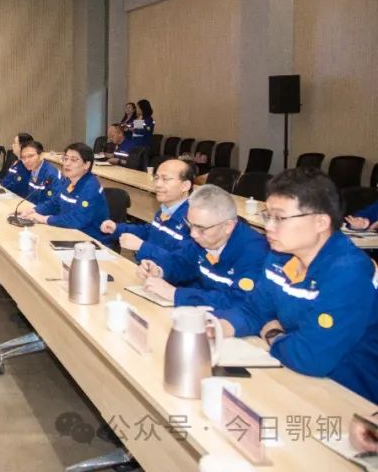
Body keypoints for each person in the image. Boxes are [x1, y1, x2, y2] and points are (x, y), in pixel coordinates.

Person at [214, 168, 378, 404]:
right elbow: (255, 311)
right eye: (268, 216)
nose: (269, 227)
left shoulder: (348, 271)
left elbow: (312, 356)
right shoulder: (281, 255)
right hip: (297, 375)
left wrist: (273, 334)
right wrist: (216, 329)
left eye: (280, 218)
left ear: (321, 222)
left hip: (350, 394)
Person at [135, 184, 269, 311]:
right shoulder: (204, 239)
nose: (193, 234)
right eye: (190, 224)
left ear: (228, 226)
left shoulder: (255, 253)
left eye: (201, 228)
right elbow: (183, 262)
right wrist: (159, 270)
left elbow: (238, 301)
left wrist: (176, 294)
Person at [20, 142, 111, 244]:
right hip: (69, 233)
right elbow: (54, 203)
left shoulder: (91, 186)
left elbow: (77, 219)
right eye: (65, 158)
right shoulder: (68, 181)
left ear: (87, 165)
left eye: (73, 160)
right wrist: (34, 210)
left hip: (91, 241)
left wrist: (45, 219)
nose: (67, 163)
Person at [105, 158, 194, 260]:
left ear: (185, 186)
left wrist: (142, 247)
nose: (158, 184)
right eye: (156, 178)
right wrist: (117, 228)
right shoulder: (166, 208)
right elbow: (150, 231)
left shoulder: (193, 220)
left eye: (165, 179)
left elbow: (181, 263)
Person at [17, 140, 61, 207]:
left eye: (31, 156)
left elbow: (53, 204)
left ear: (41, 155)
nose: (26, 161)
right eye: (23, 157)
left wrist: (34, 210)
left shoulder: (52, 175)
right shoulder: (33, 170)